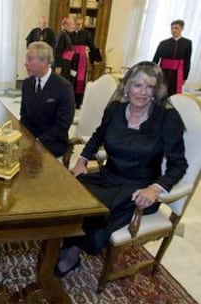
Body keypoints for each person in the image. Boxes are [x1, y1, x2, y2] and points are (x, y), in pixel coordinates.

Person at [54, 61, 188, 277]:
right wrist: (83, 160)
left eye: (150, 87)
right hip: (109, 176)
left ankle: (72, 251)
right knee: (71, 194)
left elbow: (178, 164)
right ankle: (68, 244)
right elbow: (98, 134)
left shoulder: (167, 118)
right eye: (137, 85)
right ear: (127, 87)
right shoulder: (116, 109)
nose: (143, 92)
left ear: (157, 90)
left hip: (138, 189)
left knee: (97, 213)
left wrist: (154, 189)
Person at [20, 41, 75, 158]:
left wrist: (38, 141)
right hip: (30, 141)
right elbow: (24, 116)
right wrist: (25, 138)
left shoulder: (64, 87)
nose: (25, 64)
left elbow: (62, 125)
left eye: (30, 59)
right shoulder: (27, 84)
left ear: (44, 61)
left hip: (52, 143)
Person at [153, 19, 192, 96]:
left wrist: (185, 77)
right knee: (160, 92)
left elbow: (187, 61)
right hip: (163, 72)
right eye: (172, 28)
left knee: (173, 94)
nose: (174, 30)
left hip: (177, 74)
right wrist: (154, 73)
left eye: (176, 28)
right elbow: (156, 59)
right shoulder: (163, 43)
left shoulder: (187, 43)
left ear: (182, 28)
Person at [69, 15, 100, 108]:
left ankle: (78, 102)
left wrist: (96, 59)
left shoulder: (86, 34)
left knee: (80, 80)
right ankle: (69, 100)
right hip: (72, 59)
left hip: (81, 60)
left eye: (80, 24)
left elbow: (92, 46)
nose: (79, 26)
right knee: (70, 79)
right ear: (74, 24)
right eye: (77, 24)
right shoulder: (70, 33)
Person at [54, 17, 75, 81]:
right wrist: (58, 66)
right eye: (72, 24)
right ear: (65, 25)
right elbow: (57, 51)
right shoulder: (62, 35)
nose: (73, 26)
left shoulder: (65, 34)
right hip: (62, 64)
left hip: (65, 63)